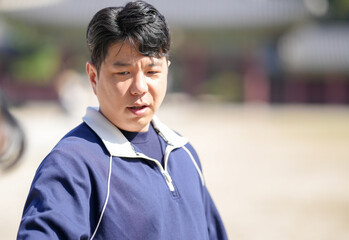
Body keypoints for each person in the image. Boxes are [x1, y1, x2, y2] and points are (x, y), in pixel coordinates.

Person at [17, 1, 228, 239]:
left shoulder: (183, 151)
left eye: (152, 72)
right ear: (93, 77)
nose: (139, 88)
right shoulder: (72, 164)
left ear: (167, 70)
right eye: (123, 73)